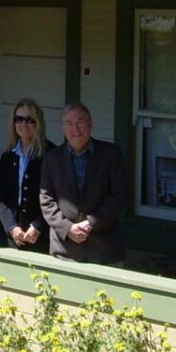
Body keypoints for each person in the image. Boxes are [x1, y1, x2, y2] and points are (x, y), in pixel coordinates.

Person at [40, 102, 127, 265]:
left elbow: (118, 196)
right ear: (63, 128)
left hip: (104, 251)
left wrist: (91, 223)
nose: (75, 129)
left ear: (90, 123)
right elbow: (46, 200)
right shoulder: (52, 158)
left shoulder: (111, 154)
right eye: (69, 124)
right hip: (65, 250)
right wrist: (67, 228)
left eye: (80, 122)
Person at [0, 99, 50, 251]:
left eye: (29, 120)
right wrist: (11, 227)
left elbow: (57, 197)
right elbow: (2, 197)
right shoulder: (7, 157)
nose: (23, 124)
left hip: (42, 233)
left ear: (38, 123)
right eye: (18, 119)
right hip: (13, 235)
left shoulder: (51, 155)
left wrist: (38, 226)